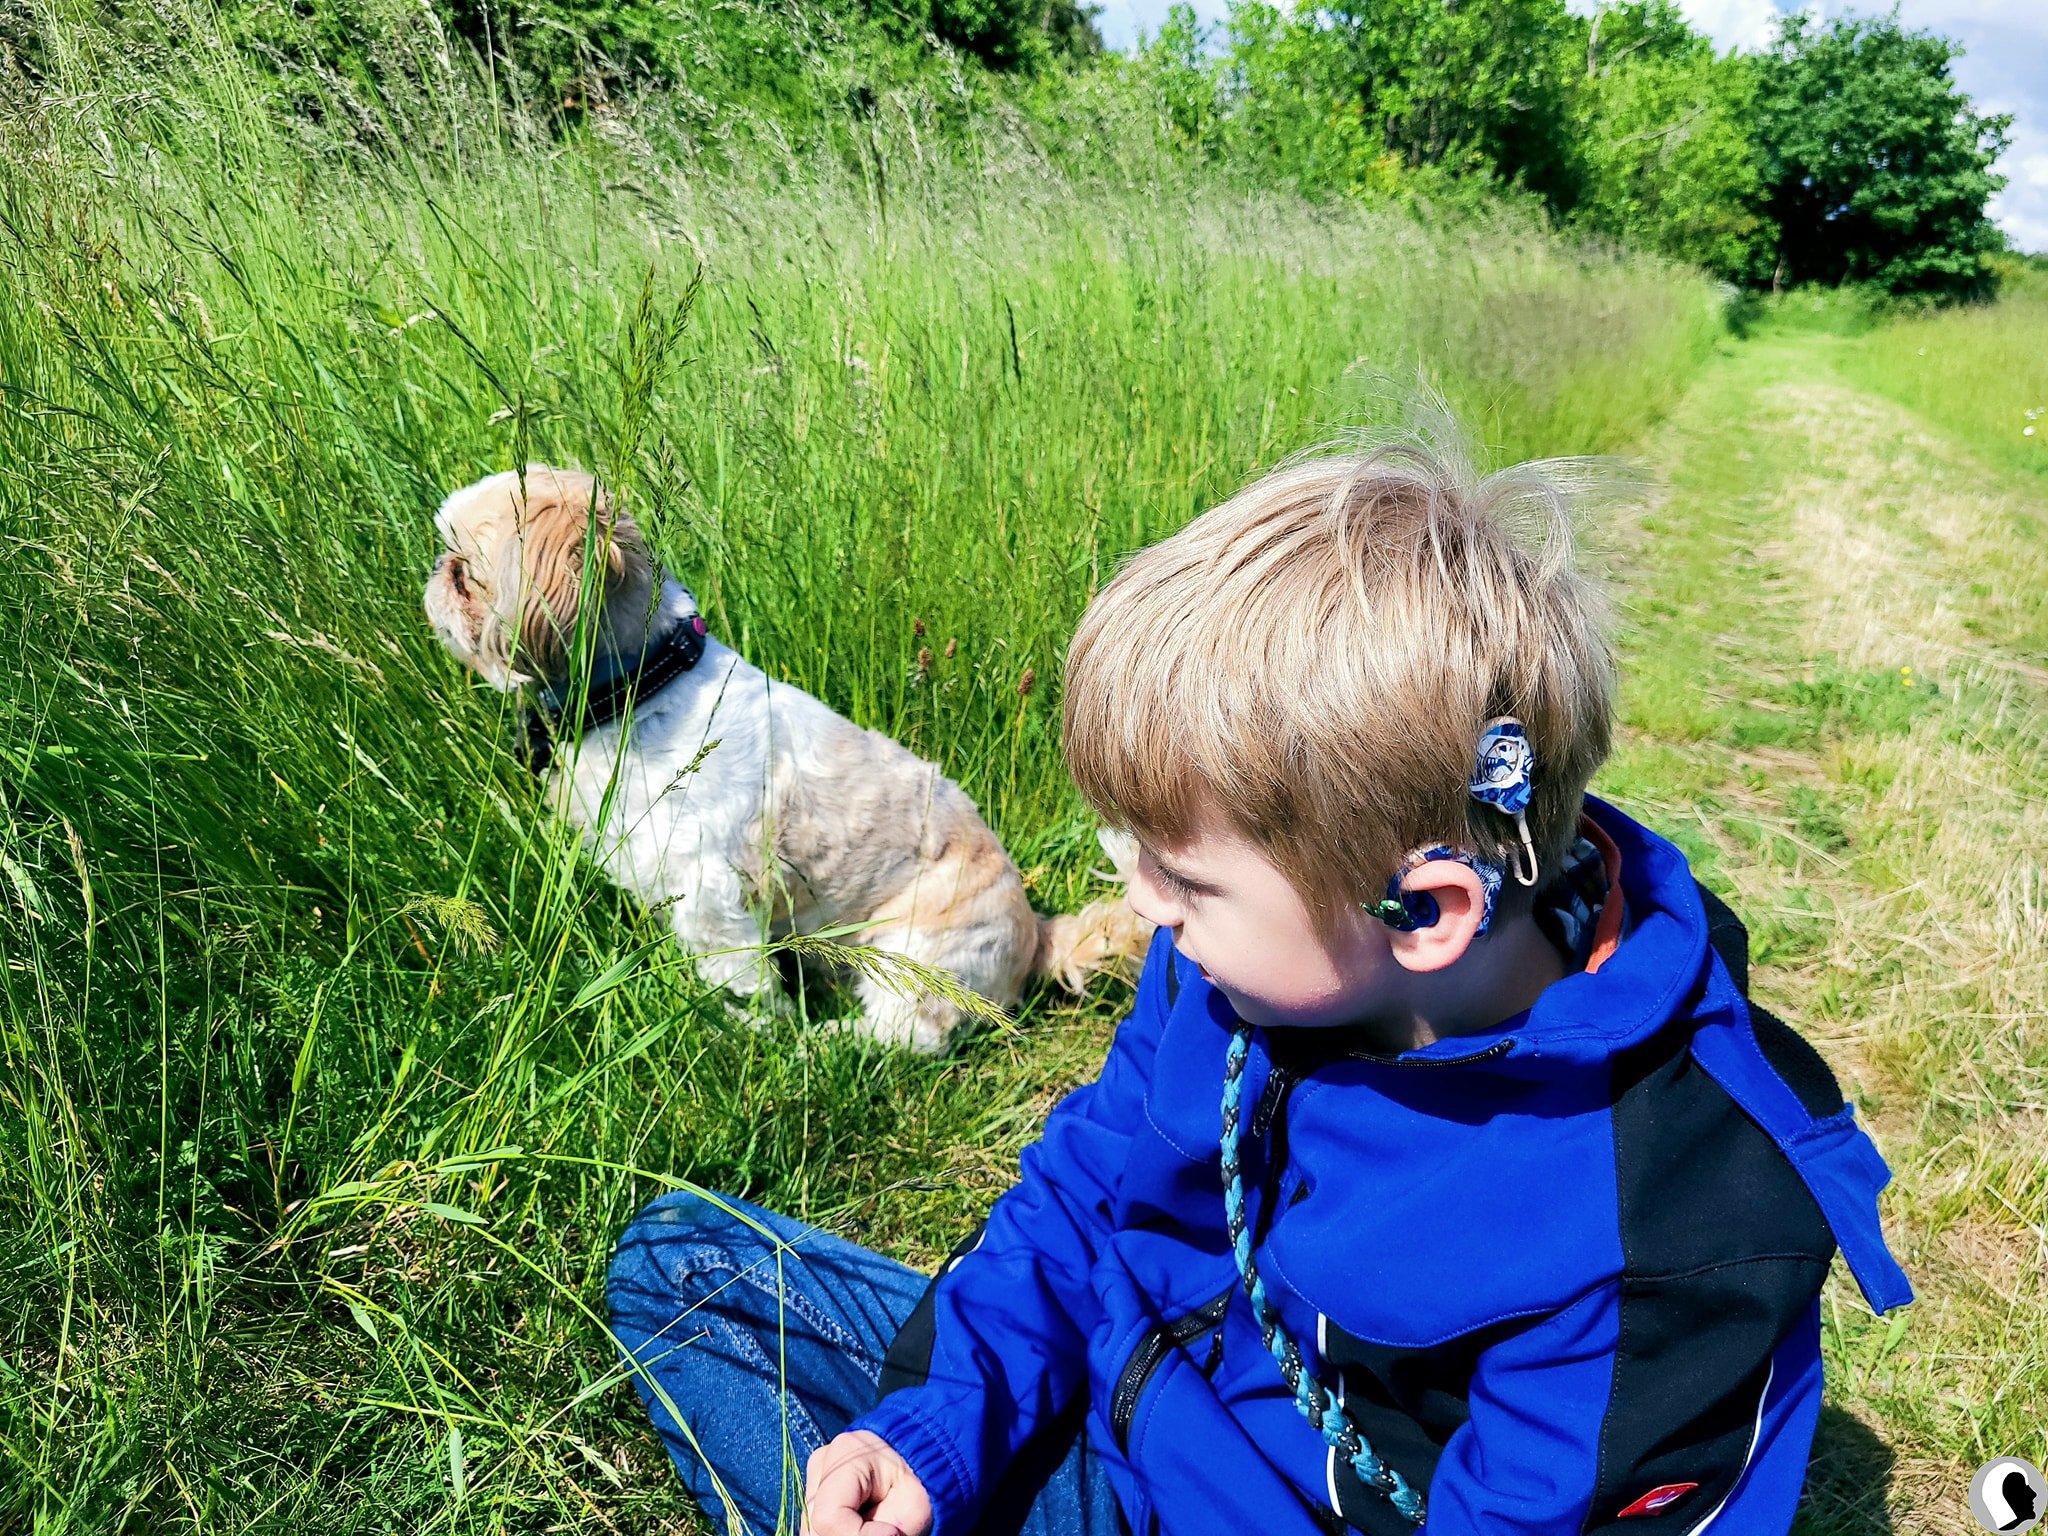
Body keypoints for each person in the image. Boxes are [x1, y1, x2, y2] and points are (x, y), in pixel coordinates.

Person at [606, 440, 1914, 1536]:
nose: (1141, 905)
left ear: (1426, 910)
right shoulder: (1241, 968)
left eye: (1183, 876)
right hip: (1126, 1410)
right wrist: (935, 1435)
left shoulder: (1653, 1224)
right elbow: (1090, 1188)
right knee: (683, 1267)